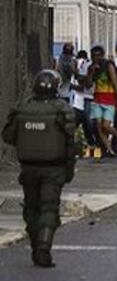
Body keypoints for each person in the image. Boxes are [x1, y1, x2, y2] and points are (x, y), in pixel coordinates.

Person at [2, 70, 77, 267]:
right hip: (54, 169)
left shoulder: (22, 108)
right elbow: (71, 143)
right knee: (49, 208)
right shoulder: (62, 109)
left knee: (31, 207)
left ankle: (36, 244)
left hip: (28, 168)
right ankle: (43, 248)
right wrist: (70, 168)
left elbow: (8, 136)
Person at [87, 45, 117, 157]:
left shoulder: (108, 66)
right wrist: (91, 72)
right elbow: (88, 85)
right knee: (99, 126)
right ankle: (109, 150)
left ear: (102, 55)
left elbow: (116, 85)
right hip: (97, 98)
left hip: (109, 99)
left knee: (106, 125)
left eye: (98, 55)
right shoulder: (91, 68)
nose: (96, 58)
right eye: (94, 56)